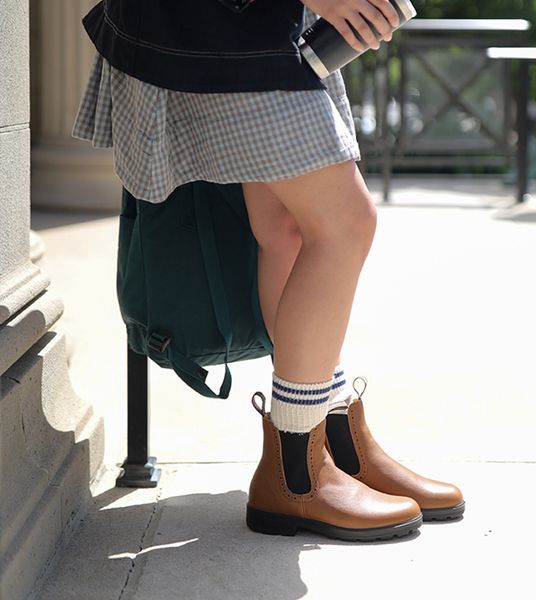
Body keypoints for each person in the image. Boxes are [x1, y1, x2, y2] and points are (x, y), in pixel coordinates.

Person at [72, 0, 464, 542]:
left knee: (289, 230)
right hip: (219, 31)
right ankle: (296, 472)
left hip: (261, 29)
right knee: (344, 225)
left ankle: (335, 444)